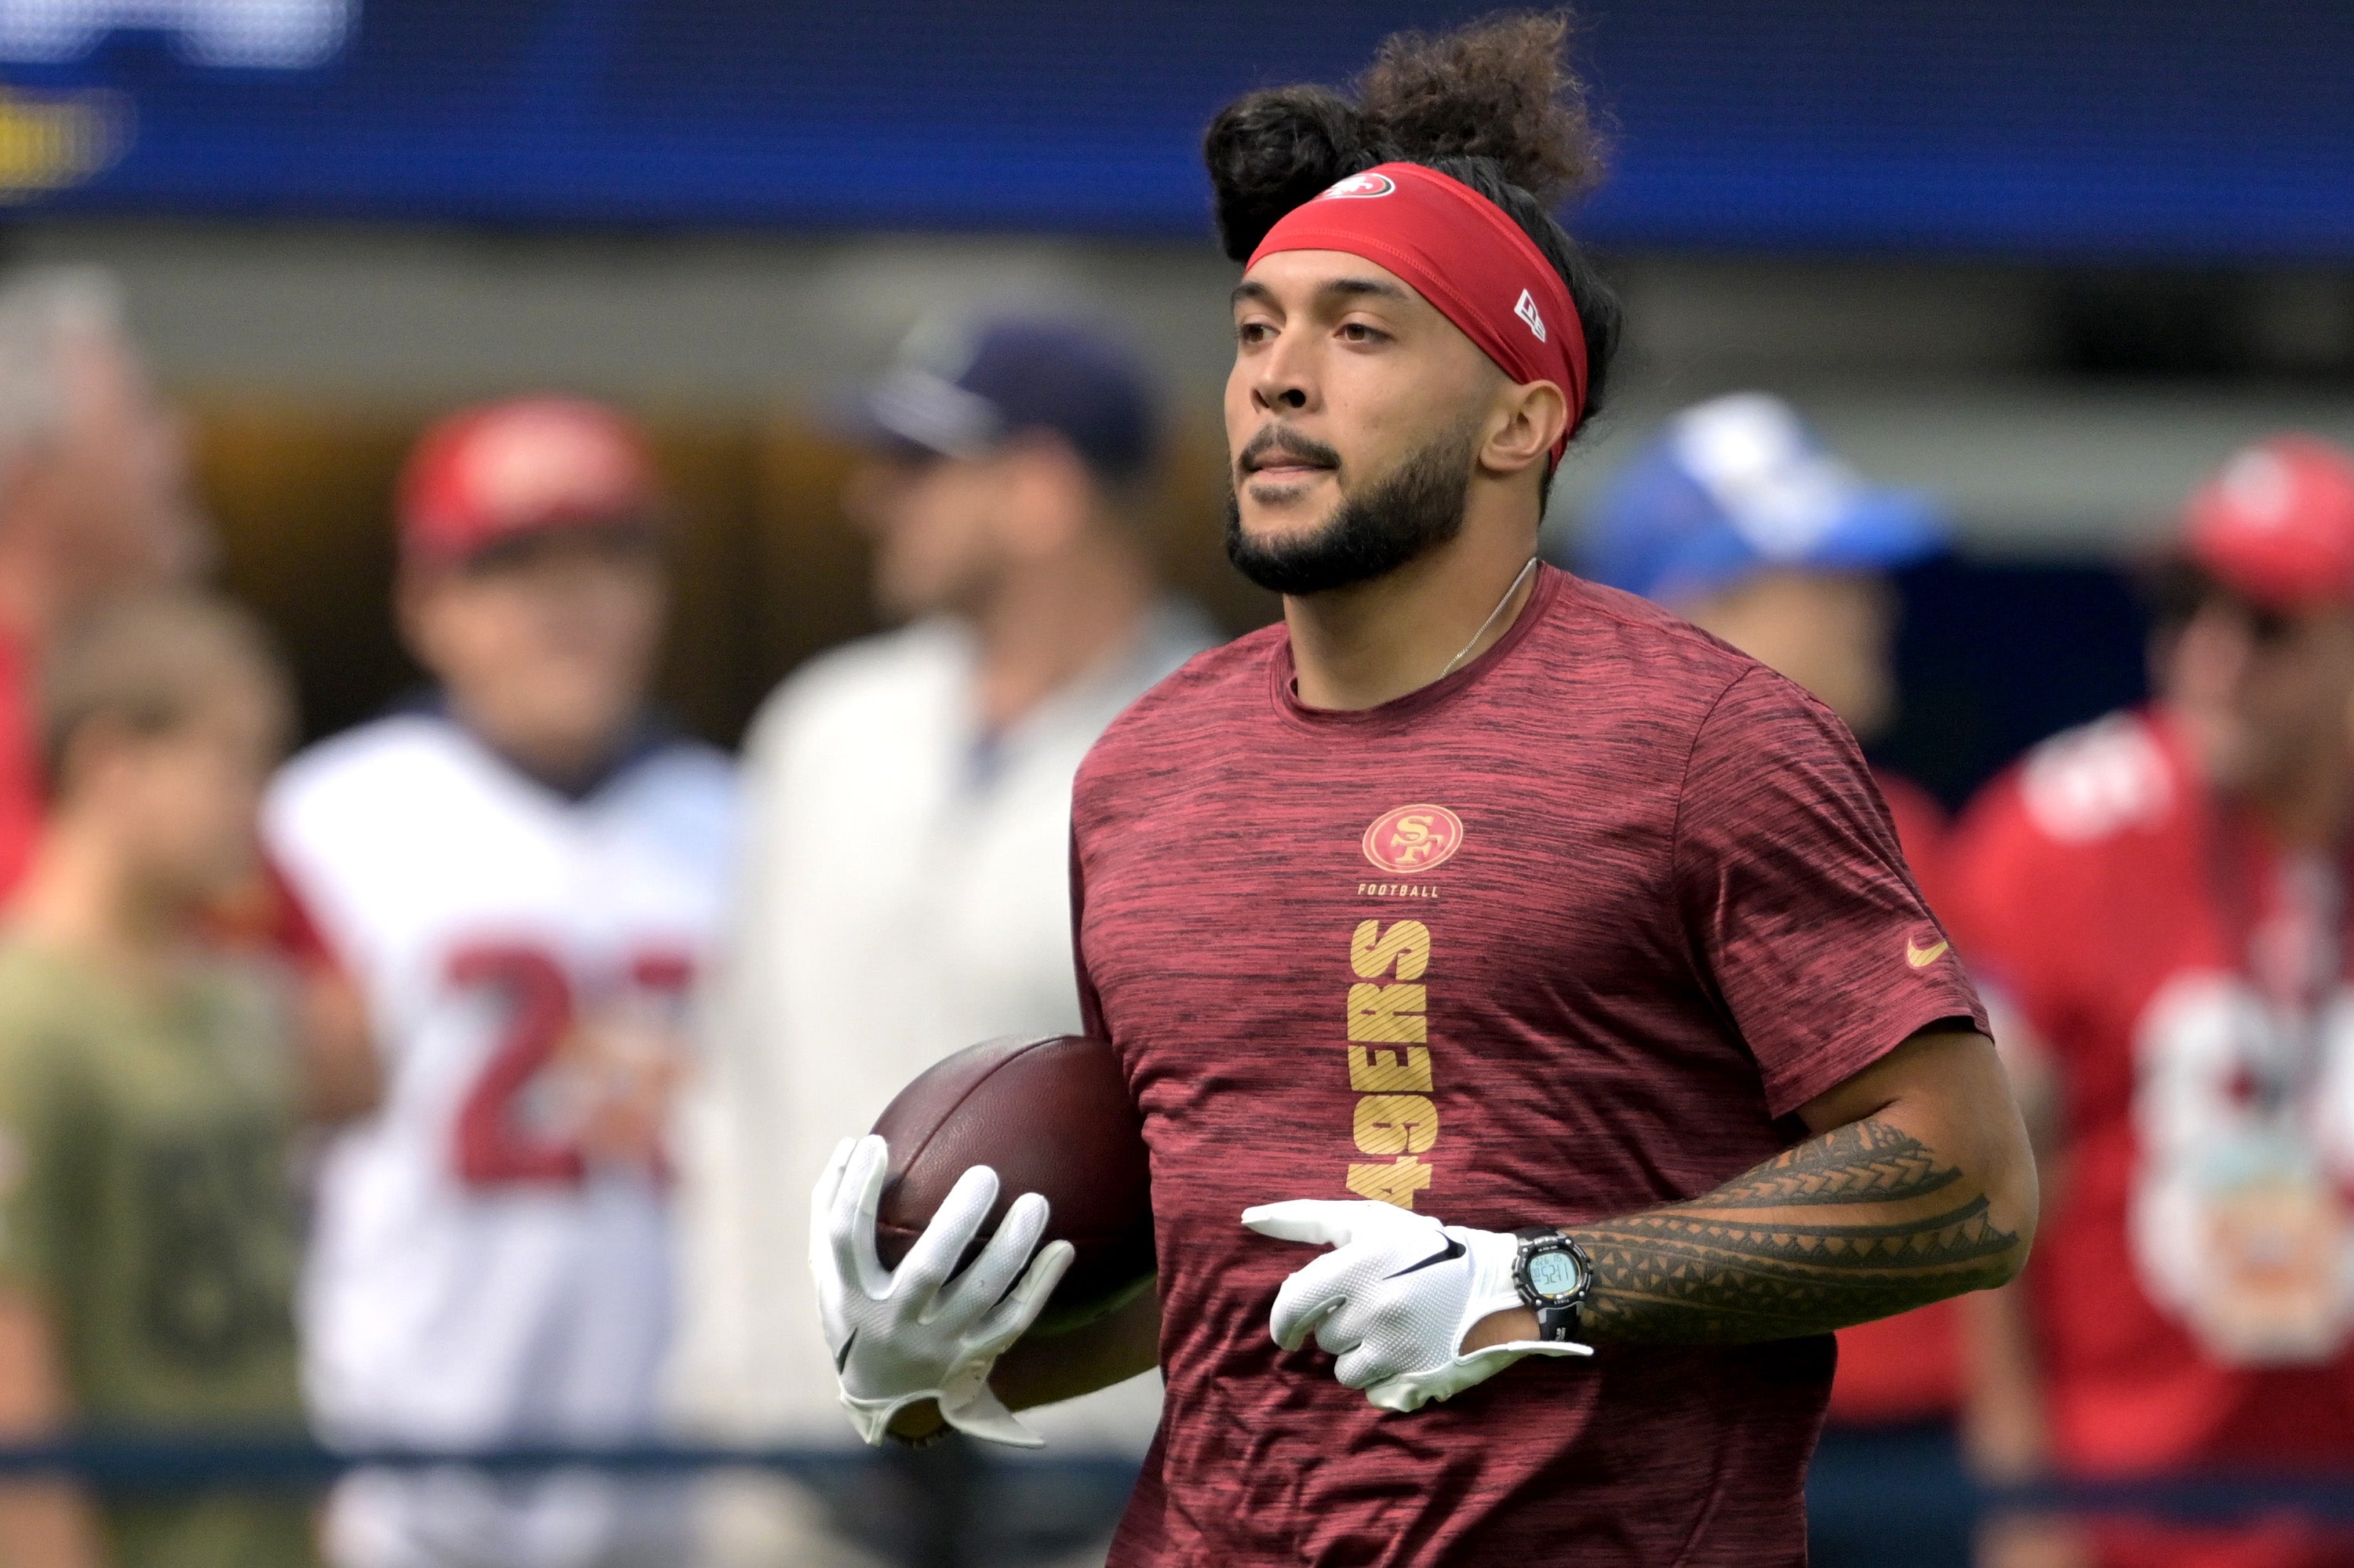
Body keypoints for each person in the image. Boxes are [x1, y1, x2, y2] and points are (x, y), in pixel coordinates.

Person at [808, 14, 2036, 1568]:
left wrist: (1544, 1282)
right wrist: (942, 1373)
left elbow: (1968, 1184)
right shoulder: (1139, 771)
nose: (1280, 382)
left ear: (1522, 418)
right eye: (1256, 332)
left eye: (1362, 332)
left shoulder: (1709, 737)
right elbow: (1218, 1279)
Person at [671, 312, 1213, 1564]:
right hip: (801, 1460)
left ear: (1038, 490)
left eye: (919, 465)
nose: (874, 496)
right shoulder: (824, 725)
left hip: (1095, 1468)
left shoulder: (1231, 752)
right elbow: (733, 1075)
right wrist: (720, 1385)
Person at [264, 397, 737, 1568]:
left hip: (694, 1484)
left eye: (610, 557)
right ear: (428, 603)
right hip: (395, 1483)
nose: (571, 603)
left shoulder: (750, 824)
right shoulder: (323, 820)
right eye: (518, 562)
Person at [1579, 392, 1974, 1567]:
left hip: (1911, 1430)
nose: (1871, 605)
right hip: (1678, 1415)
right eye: (1823, 575)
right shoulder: (1576, 851)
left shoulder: (1895, 819)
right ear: (1699, 613)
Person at [1951, 435, 2354, 1568]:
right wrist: (2024, 1501)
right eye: (2187, 608)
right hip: (2126, 1500)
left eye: (2269, 624)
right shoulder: (2060, 833)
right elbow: (1980, 1200)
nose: (2211, 657)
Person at [0, 591, 310, 1568]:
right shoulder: (28, 1018)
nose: (254, 805)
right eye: (229, 761)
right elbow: (16, 1380)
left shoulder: (232, 1009)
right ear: (110, 762)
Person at [0, 268, 206, 900]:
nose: (180, 446)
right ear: (36, 478)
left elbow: (329, 990)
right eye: (142, 417)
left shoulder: (182, 708)